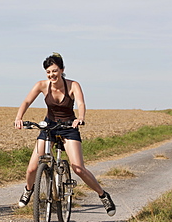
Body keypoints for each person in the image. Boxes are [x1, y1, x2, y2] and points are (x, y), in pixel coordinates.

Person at [14, 53, 116, 216]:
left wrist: (80, 118)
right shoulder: (41, 85)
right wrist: (19, 118)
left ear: (62, 70)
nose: (51, 75)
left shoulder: (73, 85)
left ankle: (103, 195)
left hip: (69, 126)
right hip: (49, 126)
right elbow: (26, 101)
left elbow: (81, 103)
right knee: (32, 167)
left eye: (54, 71)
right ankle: (28, 190)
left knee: (78, 168)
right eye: (48, 72)